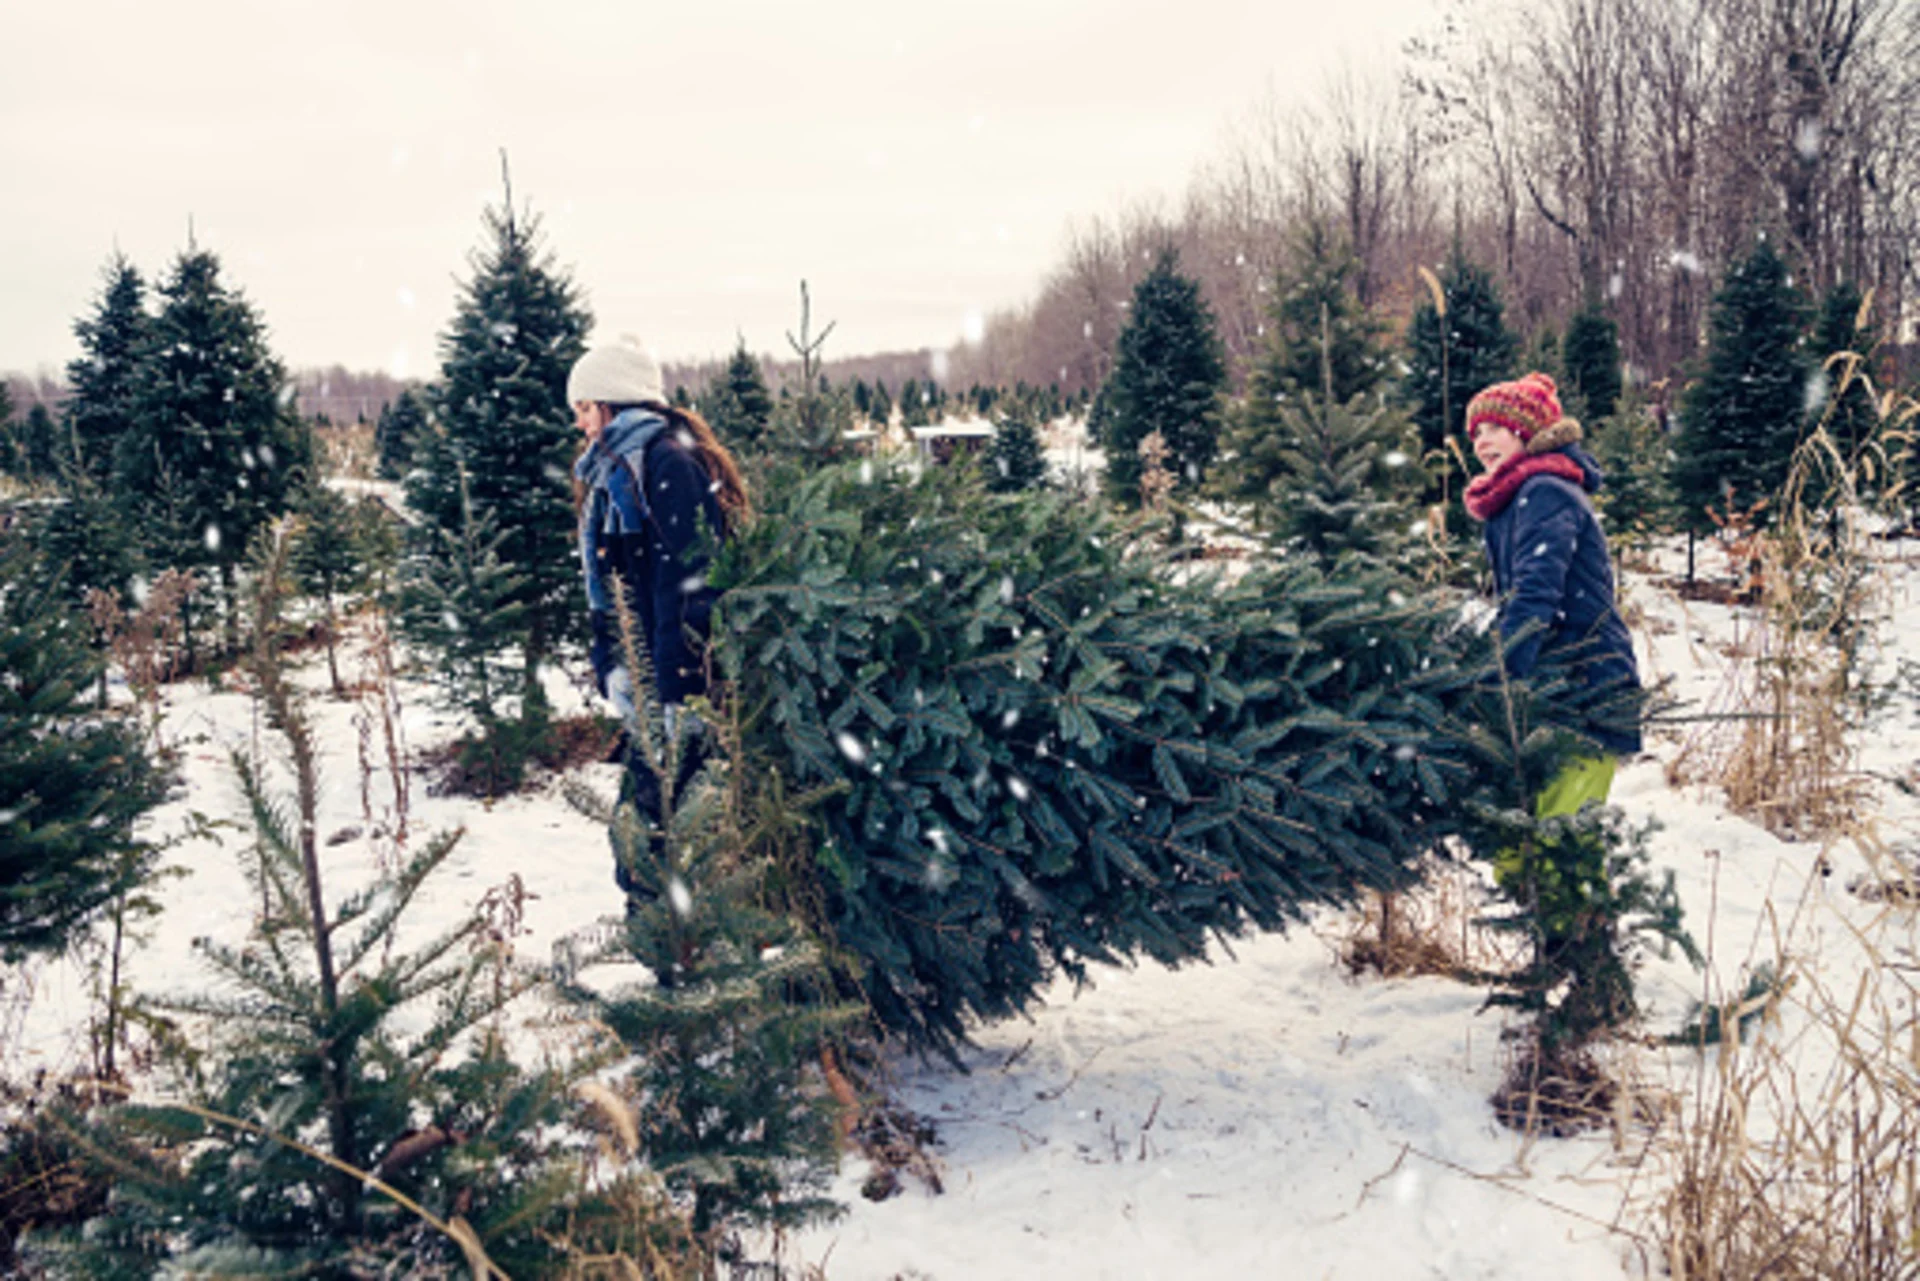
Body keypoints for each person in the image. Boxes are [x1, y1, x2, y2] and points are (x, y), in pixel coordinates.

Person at [568, 334, 750, 905]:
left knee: (668, 843)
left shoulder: (669, 460)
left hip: (681, 691)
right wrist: (611, 668)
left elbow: (692, 587)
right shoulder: (614, 472)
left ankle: (691, 974)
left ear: (610, 404)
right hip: (651, 686)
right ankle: (670, 966)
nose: (579, 424)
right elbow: (611, 589)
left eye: (583, 409)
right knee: (643, 840)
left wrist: (682, 698)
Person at [1463, 371, 1641, 817]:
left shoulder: (1545, 490)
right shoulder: (1515, 494)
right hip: (1549, 678)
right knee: (1518, 844)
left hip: (1583, 680)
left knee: (1560, 844)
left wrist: (1501, 682)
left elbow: (1536, 592)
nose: (1483, 441)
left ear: (1528, 431)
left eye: (1497, 429)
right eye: (1477, 432)